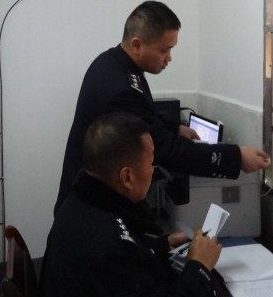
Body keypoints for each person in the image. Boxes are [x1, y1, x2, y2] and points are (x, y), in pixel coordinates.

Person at [55, 1, 270, 213]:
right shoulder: (120, 87)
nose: (169, 58)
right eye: (164, 50)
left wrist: (176, 127)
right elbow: (166, 149)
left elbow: (143, 113)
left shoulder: (113, 62)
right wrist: (237, 158)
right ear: (137, 45)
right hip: (91, 209)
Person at [41, 113, 227, 296]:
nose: (153, 170)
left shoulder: (80, 200)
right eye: (151, 163)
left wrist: (161, 245)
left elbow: (129, 252)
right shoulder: (109, 248)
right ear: (127, 177)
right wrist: (199, 265)